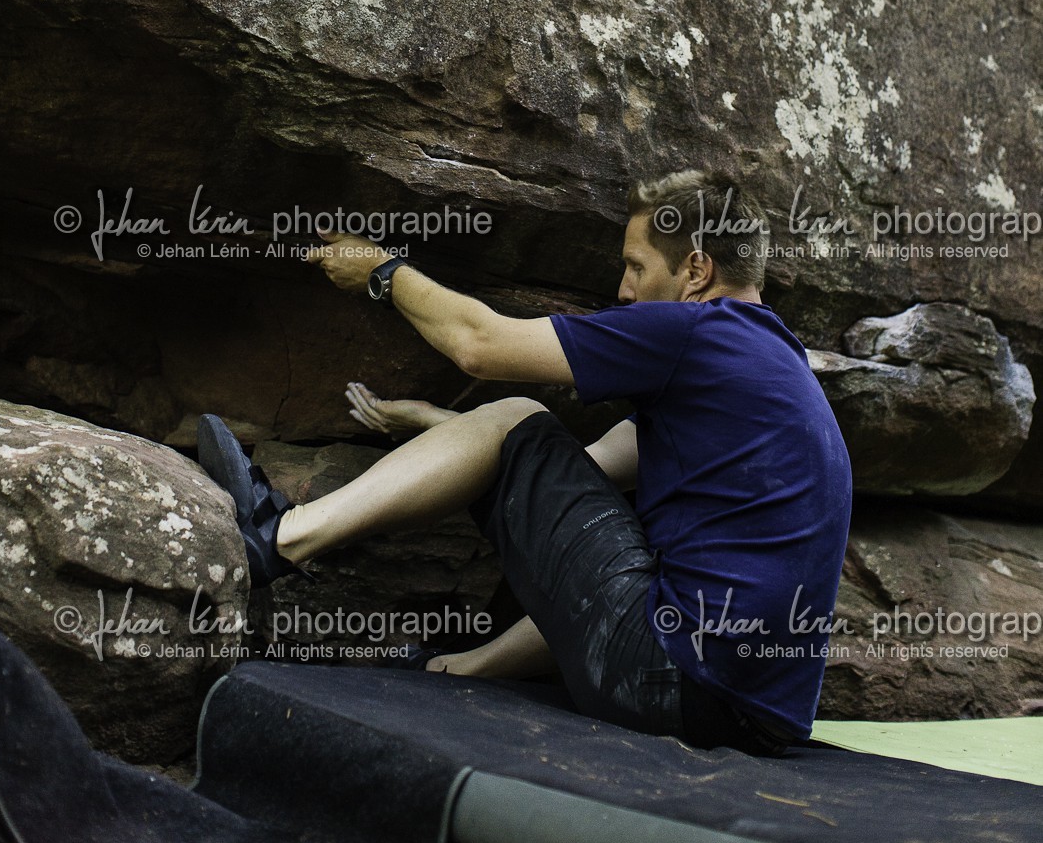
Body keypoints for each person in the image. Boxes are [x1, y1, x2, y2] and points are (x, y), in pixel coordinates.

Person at [197, 170, 853, 755]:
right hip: (749, 718)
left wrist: (380, 270)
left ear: (696, 272)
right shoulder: (773, 369)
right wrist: (440, 425)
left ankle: (276, 537)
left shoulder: (698, 332)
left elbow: (479, 346)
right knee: (619, 529)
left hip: (677, 679)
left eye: (635, 266)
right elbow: (569, 486)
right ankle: (457, 670)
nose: (622, 291)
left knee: (516, 413)